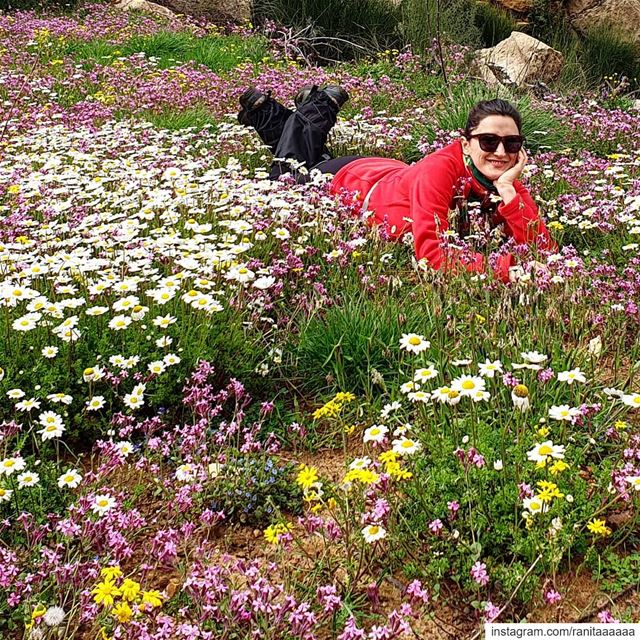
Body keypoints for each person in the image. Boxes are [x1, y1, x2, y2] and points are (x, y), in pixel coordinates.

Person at [238, 86, 556, 282]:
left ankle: (269, 112)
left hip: (397, 175)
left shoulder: (503, 178)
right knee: (285, 181)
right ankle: (316, 106)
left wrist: (511, 192)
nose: (501, 152)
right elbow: (431, 255)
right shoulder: (441, 170)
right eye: (488, 141)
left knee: (303, 157)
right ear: (465, 143)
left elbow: (547, 253)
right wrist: (504, 268)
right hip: (355, 180)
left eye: (512, 143)